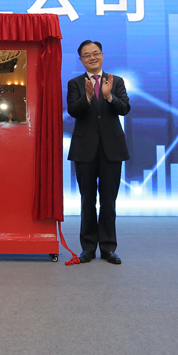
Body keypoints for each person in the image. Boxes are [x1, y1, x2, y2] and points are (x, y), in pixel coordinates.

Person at [66, 40, 130, 264]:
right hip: (84, 150)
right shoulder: (75, 83)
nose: (92, 57)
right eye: (87, 55)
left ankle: (108, 248)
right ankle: (88, 248)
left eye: (95, 53)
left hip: (112, 149)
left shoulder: (116, 81)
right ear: (81, 59)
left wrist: (109, 96)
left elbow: (125, 109)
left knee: (109, 201)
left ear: (102, 55)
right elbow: (73, 111)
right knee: (87, 201)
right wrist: (88, 97)